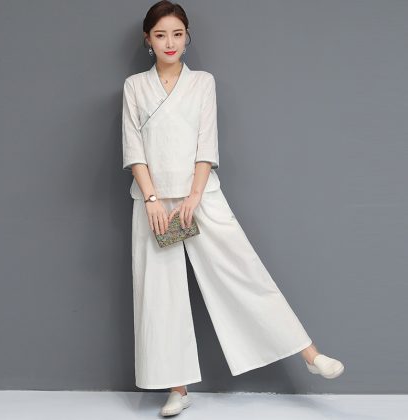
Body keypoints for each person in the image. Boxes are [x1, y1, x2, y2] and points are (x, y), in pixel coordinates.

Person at [122, 1, 345, 417]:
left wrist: (193, 197)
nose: (170, 42)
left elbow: (206, 145)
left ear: (187, 37)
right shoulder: (135, 87)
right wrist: (152, 199)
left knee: (243, 272)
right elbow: (134, 148)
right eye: (160, 34)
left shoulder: (202, 82)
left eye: (177, 34)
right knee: (160, 296)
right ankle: (178, 389)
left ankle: (310, 354)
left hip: (200, 196)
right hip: (153, 203)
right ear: (147, 40)